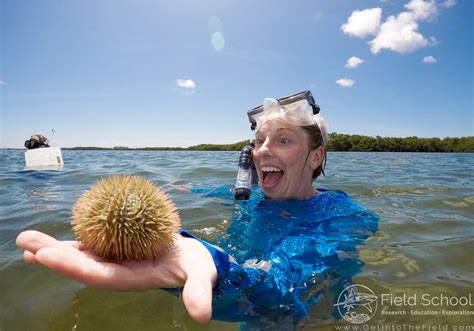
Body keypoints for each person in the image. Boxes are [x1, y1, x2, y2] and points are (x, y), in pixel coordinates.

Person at [16, 91, 378, 329]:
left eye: (283, 140)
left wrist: (218, 267)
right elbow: (213, 190)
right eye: (258, 142)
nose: (262, 151)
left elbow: (283, 294)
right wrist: (184, 187)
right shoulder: (247, 198)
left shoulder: (340, 214)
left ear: (317, 156)